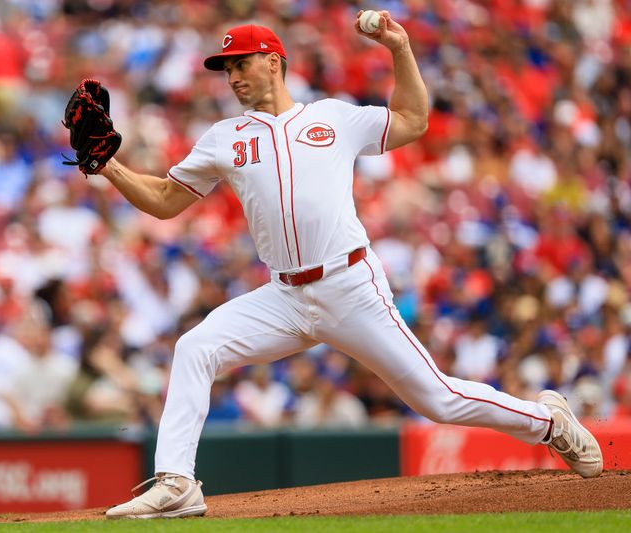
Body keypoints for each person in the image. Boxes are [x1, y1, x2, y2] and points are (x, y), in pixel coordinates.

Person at [100, 12, 603, 519]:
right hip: (284, 297)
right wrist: (109, 167)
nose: (232, 76)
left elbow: (412, 120)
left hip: (350, 284)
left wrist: (399, 48)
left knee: (438, 399)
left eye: (241, 63)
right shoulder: (224, 136)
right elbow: (165, 200)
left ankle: (548, 422)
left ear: (273, 62)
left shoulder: (332, 118)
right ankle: (177, 482)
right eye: (226, 68)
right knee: (195, 347)